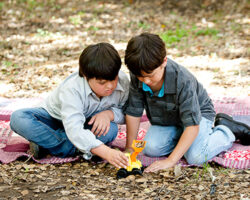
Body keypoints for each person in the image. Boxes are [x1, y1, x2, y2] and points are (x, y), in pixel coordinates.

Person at [124, 33, 250, 173]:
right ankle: (185, 141)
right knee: (151, 148)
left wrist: (170, 160)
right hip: (169, 119)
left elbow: (192, 125)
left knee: (195, 156)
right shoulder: (138, 72)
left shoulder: (182, 81)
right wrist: (130, 149)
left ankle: (227, 131)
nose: (145, 81)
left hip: (197, 117)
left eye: (150, 75)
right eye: (140, 77)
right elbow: (134, 112)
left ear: (164, 62)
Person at [10, 43, 129, 169]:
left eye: (113, 79)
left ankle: (50, 144)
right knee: (19, 118)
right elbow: (74, 128)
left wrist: (109, 114)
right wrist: (107, 152)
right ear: (85, 76)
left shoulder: (122, 80)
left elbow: (129, 113)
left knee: (111, 129)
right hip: (54, 119)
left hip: (87, 122)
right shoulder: (72, 88)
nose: (110, 86)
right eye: (102, 82)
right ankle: (79, 148)